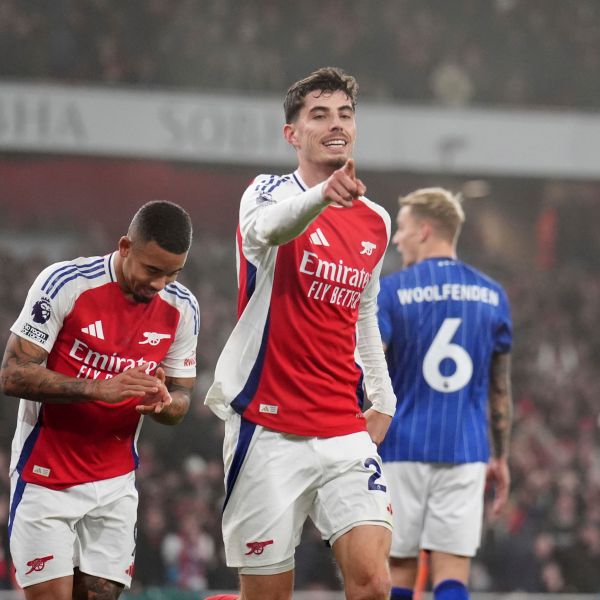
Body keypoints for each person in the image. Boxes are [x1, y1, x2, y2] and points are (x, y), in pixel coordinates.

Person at [204, 66, 397, 600]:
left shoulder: (376, 220)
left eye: (345, 114)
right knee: (268, 595)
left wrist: (383, 396)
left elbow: (363, 311)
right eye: (319, 115)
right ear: (292, 133)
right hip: (267, 430)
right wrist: (322, 198)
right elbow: (268, 229)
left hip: (342, 429)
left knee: (376, 584)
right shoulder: (265, 193)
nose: (336, 125)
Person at [0, 200, 199, 600]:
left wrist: (166, 404)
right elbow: (12, 373)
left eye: (173, 272)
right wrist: (98, 388)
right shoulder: (66, 284)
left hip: (114, 484)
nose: (161, 283)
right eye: (152, 270)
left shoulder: (183, 307)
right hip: (46, 478)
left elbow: (182, 395)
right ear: (125, 246)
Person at [376, 187, 513, 600]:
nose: (396, 239)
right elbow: (500, 389)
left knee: (398, 567)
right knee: (451, 572)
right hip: (466, 448)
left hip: (400, 445)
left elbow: (369, 371)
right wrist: (501, 456)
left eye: (400, 230)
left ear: (423, 229)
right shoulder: (493, 295)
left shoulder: (392, 291)